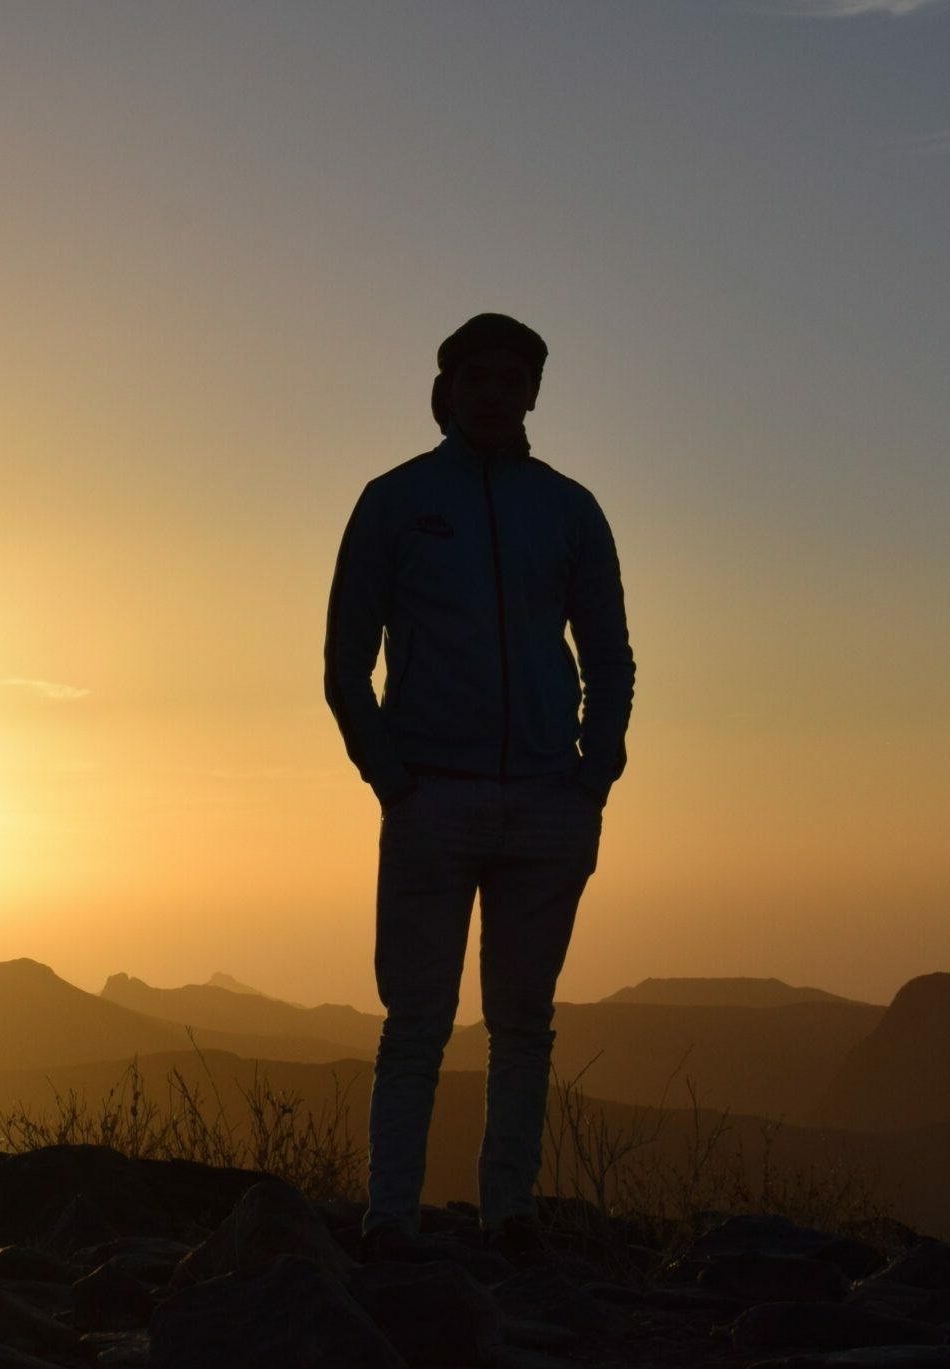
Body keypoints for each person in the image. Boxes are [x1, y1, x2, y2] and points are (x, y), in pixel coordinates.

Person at [323, 312, 635, 1238]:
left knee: (522, 1029)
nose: (495, 393)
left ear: (534, 391)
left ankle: (510, 1219)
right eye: (477, 378)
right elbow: (346, 661)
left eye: (512, 378)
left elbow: (609, 650)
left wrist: (594, 774)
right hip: (433, 796)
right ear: (447, 390)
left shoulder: (570, 507)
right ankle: (391, 1223)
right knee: (416, 1025)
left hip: (548, 801)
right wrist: (393, 777)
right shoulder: (394, 500)